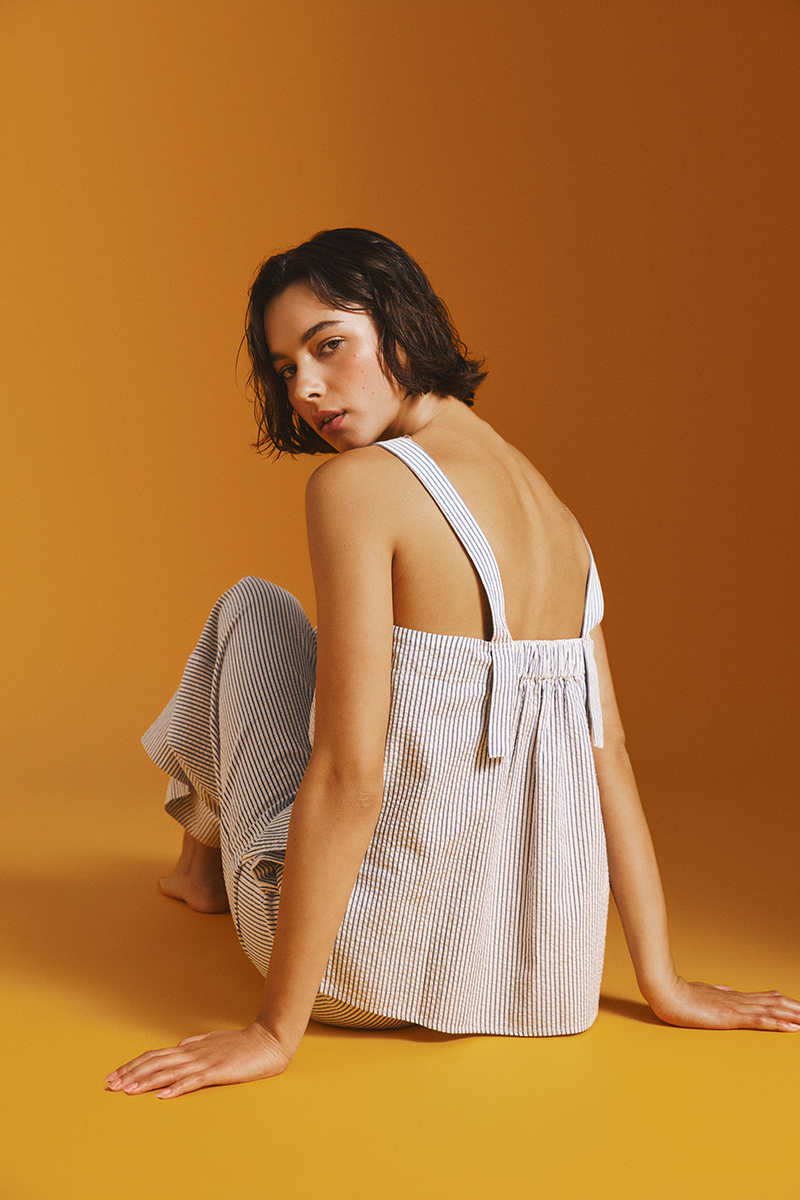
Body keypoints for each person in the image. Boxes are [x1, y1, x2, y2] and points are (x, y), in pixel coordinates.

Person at [106, 228, 800, 1099]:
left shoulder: (359, 487)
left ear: (400, 322)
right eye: (286, 369)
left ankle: (199, 868)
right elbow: (609, 757)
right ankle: (199, 871)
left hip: (355, 968)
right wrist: (665, 984)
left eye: (328, 346)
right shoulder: (557, 515)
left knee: (252, 609)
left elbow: (350, 775)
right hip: (525, 973)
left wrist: (274, 1032)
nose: (306, 389)